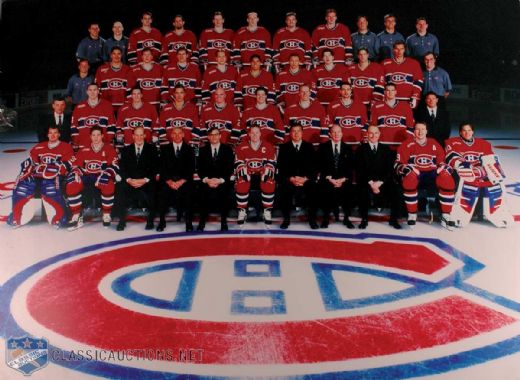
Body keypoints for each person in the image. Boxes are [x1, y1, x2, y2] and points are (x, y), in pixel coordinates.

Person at [445, 123, 513, 228]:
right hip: (461, 173)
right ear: (460, 132)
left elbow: (490, 161)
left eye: (469, 130)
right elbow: (451, 158)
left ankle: (497, 212)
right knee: (468, 182)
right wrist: (466, 167)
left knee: (495, 182)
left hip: (480, 173)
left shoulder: (483, 143)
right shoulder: (452, 142)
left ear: (473, 132)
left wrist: (486, 171)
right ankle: (461, 213)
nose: (467, 133)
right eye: (464, 130)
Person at [8, 126, 73, 228]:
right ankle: (17, 218)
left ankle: (59, 218)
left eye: (55, 133)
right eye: (50, 133)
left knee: (50, 187)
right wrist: (26, 171)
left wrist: (56, 170)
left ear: (59, 134)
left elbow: (68, 163)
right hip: (37, 174)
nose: (52, 135)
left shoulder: (66, 147)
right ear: (47, 135)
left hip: (54, 175)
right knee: (22, 185)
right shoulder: (39, 147)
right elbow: (30, 161)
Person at [395, 122, 455, 228]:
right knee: (410, 180)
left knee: (447, 180)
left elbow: (441, 161)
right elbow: (398, 164)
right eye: (417, 129)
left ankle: (446, 214)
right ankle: (412, 214)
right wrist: (408, 169)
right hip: (416, 174)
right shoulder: (406, 144)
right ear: (414, 131)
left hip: (432, 174)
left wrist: (443, 168)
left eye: (423, 129)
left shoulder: (434, 143)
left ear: (426, 131)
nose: (420, 132)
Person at [66, 126, 119, 230]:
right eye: (93, 135)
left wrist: (106, 174)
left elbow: (114, 166)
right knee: (72, 185)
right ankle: (76, 214)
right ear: (90, 136)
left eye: (98, 135)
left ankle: (106, 214)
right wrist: (76, 172)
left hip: (101, 175)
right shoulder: (84, 149)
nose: (96, 138)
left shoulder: (109, 148)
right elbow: (76, 165)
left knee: (108, 184)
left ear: (102, 136)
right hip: (87, 176)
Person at [356, 125, 402, 229]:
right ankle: (364, 219)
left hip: (383, 182)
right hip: (367, 182)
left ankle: (393, 219)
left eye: (376, 133)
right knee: (361, 191)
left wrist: (380, 182)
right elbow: (360, 169)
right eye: (371, 133)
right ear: (367, 134)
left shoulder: (386, 149)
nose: (373, 135)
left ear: (379, 134)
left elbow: (390, 169)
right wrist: (372, 183)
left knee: (397, 190)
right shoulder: (361, 149)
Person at [116, 126, 158, 231]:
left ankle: (151, 220)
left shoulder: (152, 149)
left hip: (145, 181)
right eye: (136, 135)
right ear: (133, 136)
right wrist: (129, 180)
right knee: (119, 188)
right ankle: (121, 220)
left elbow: (155, 168)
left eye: (141, 135)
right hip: (131, 181)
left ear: (144, 136)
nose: (139, 137)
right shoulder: (126, 150)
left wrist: (144, 180)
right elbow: (122, 168)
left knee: (155, 187)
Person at [277, 123, 319, 229]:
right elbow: (281, 168)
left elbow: (314, 167)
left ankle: (312, 219)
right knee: (284, 188)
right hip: (290, 179)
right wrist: (291, 178)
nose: (296, 133)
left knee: (313, 188)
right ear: (290, 133)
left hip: (305, 179)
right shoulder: (284, 147)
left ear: (302, 133)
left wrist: (305, 178)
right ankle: (286, 219)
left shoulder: (309, 147)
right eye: (293, 131)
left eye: (298, 131)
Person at [156, 127, 196, 232]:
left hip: (183, 182)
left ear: (183, 135)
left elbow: (191, 169)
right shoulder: (164, 149)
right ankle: (161, 221)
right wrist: (169, 182)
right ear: (171, 135)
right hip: (169, 181)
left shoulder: (189, 149)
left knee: (190, 192)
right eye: (175, 133)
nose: (177, 136)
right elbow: (162, 168)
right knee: (161, 191)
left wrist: (181, 182)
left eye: (179, 133)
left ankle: (188, 222)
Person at [234, 125, 276, 225]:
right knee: (241, 180)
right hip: (248, 174)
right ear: (249, 134)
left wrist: (265, 172)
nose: (254, 135)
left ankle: (267, 211)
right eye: (252, 133)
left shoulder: (268, 146)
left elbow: (272, 163)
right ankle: (242, 211)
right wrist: (244, 172)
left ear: (260, 134)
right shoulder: (241, 147)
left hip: (262, 174)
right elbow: (238, 163)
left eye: (257, 132)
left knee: (269, 180)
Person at [197, 127, 235, 231]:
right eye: (211, 135)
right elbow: (200, 169)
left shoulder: (227, 149)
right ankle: (202, 221)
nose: (214, 137)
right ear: (208, 137)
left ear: (220, 136)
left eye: (216, 134)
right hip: (207, 181)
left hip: (222, 181)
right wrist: (207, 180)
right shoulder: (203, 150)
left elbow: (230, 168)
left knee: (225, 192)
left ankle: (223, 221)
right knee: (201, 193)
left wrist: (220, 180)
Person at [317, 125, 355, 228]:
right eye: (333, 132)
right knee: (324, 188)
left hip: (343, 180)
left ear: (342, 133)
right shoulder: (323, 148)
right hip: (328, 179)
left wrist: (343, 179)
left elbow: (350, 168)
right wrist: (331, 179)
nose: (336, 134)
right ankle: (325, 218)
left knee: (349, 189)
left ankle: (346, 218)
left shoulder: (348, 148)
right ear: (329, 134)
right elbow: (320, 167)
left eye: (338, 132)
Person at [70, 83, 116, 150]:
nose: (92, 92)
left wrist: (107, 142)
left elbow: (111, 126)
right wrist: (77, 141)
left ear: (98, 91)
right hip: (83, 146)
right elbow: (74, 127)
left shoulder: (107, 105)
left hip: (102, 146)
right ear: (87, 92)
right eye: (90, 90)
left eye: (94, 90)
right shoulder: (78, 107)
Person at [370, 82, 414, 149]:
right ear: (384, 92)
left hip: (401, 143)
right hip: (382, 143)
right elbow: (373, 125)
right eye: (388, 90)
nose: (390, 93)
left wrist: (408, 142)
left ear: (396, 92)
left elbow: (410, 126)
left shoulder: (405, 106)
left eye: (392, 90)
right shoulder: (376, 106)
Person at [382, 41, 423, 109]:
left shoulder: (414, 63)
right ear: (393, 50)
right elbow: (382, 82)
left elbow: (418, 81)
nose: (399, 51)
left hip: (407, 99)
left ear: (404, 50)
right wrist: (383, 96)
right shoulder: (385, 63)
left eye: (401, 49)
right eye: (397, 49)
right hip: (390, 100)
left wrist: (415, 96)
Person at [327, 82, 368, 148]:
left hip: (356, 143)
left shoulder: (361, 106)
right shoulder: (332, 106)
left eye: (348, 89)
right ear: (340, 91)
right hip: (340, 144)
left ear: (351, 90)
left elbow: (365, 124)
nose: (346, 92)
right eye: (343, 90)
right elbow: (330, 125)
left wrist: (363, 140)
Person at [95, 46, 133, 113]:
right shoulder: (101, 69)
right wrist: (100, 103)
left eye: (118, 54)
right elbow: (97, 88)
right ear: (111, 55)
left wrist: (128, 104)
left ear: (121, 55)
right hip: (106, 106)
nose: (116, 56)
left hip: (123, 107)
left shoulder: (128, 69)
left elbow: (131, 89)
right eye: (114, 54)